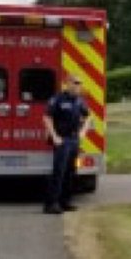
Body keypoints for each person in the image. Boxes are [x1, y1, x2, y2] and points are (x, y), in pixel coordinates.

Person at [43, 75, 91, 214]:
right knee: (59, 172)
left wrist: (83, 131)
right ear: (68, 83)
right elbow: (47, 117)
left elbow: (88, 116)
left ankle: (65, 202)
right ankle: (51, 204)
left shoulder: (79, 100)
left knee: (71, 172)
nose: (78, 85)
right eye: (76, 83)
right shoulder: (58, 99)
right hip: (62, 140)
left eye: (80, 83)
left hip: (74, 139)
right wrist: (54, 136)